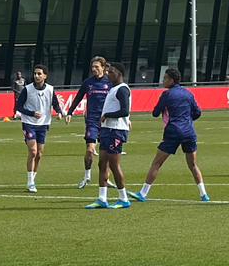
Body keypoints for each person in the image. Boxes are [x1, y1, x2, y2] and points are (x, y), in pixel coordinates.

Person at [134, 67, 209, 203]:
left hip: (173, 131)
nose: (163, 81)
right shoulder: (188, 93)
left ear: (171, 80)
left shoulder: (166, 95)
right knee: (193, 165)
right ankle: (204, 194)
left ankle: (143, 193)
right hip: (189, 132)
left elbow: (155, 112)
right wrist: (187, 120)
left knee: (157, 163)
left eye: (165, 78)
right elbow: (197, 112)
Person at [85, 62, 133, 209]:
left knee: (114, 164)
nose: (108, 74)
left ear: (119, 73)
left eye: (111, 72)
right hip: (107, 130)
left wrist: (107, 115)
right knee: (102, 163)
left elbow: (125, 111)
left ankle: (123, 198)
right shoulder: (113, 89)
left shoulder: (122, 89)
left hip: (116, 130)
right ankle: (102, 198)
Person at [15, 64, 66, 193]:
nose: (36, 76)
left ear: (45, 76)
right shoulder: (27, 89)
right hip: (29, 123)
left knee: (39, 154)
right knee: (33, 151)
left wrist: (59, 112)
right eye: (35, 73)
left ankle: (33, 177)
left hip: (43, 124)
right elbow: (19, 107)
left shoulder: (50, 89)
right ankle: (30, 181)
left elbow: (54, 102)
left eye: (39, 74)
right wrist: (32, 113)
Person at [66, 56, 111, 188]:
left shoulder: (110, 82)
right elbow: (78, 98)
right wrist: (70, 112)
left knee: (106, 152)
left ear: (103, 67)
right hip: (92, 120)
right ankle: (87, 176)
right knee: (90, 150)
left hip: (107, 121)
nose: (94, 69)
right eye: (92, 67)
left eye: (97, 67)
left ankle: (105, 178)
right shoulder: (88, 82)